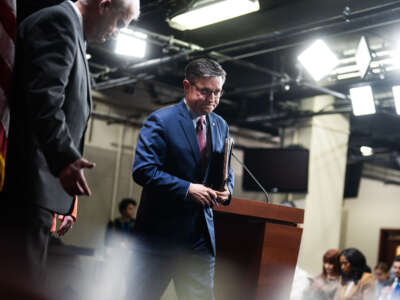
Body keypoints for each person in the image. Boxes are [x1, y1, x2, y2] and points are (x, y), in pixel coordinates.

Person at [0, 0, 140, 284]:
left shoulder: (73, 31)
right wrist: (65, 160)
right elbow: (44, 99)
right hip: (29, 182)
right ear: (104, 5)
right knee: (20, 283)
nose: (116, 32)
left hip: (40, 188)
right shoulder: (59, 22)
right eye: (119, 23)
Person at [130, 58, 234, 300]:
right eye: (205, 91)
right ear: (187, 86)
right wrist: (188, 189)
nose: (212, 99)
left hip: (200, 239)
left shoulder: (221, 125)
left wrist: (227, 189)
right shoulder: (161, 120)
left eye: (217, 92)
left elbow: (225, 171)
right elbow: (143, 170)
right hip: (158, 239)